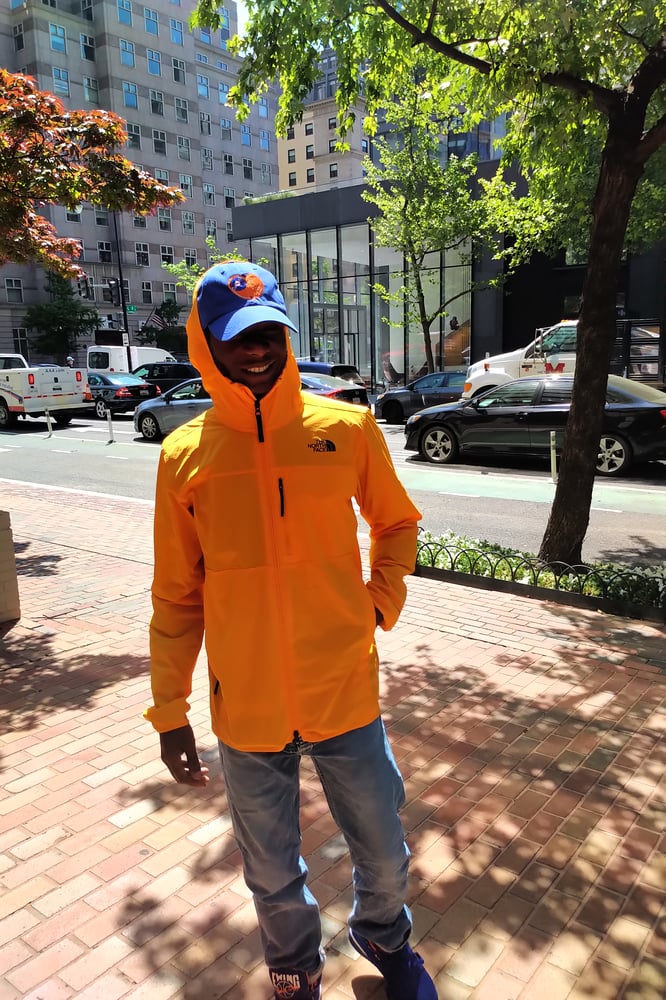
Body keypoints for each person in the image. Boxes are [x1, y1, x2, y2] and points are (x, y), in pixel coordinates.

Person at [144, 261, 437, 1000]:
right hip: (246, 705)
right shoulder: (185, 455)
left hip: (344, 690)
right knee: (271, 870)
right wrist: (170, 713)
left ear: (286, 334)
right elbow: (176, 596)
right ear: (206, 344)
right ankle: (295, 968)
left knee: (385, 850)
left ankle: (384, 934)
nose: (257, 350)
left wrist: (378, 604)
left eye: (269, 334)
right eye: (237, 338)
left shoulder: (345, 426)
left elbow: (397, 523)